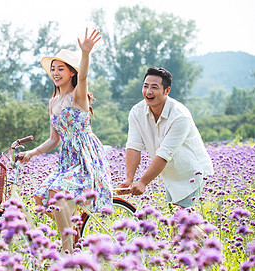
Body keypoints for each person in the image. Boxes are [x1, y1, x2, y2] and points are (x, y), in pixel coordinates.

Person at [17, 28, 113, 254]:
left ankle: (66, 252)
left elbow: (84, 76)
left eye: (61, 69)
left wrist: (85, 53)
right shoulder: (53, 103)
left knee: (57, 194)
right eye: (53, 69)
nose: (56, 73)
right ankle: (74, 231)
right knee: (41, 198)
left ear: (71, 73)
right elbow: (53, 140)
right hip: (67, 161)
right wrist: (31, 153)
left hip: (86, 157)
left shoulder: (78, 96)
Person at [117, 67, 214, 210]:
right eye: (145, 86)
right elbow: (133, 146)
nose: (148, 91)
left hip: (191, 174)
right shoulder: (137, 112)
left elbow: (164, 154)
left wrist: (143, 182)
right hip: (170, 176)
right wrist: (129, 179)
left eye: (154, 87)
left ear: (167, 91)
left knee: (182, 224)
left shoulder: (180, 116)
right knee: (182, 227)